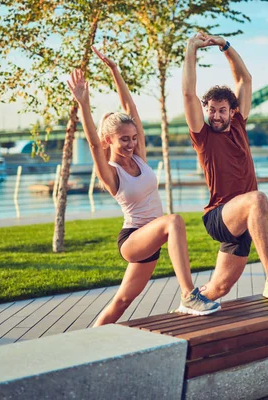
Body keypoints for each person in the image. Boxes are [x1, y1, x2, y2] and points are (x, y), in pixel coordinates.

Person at [67, 47, 220, 327]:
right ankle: (189, 294)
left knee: (122, 302)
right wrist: (82, 103)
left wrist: (115, 71)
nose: (131, 143)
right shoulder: (110, 172)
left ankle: (88, 338)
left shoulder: (139, 157)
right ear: (109, 141)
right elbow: (91, 142)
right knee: (173, 221)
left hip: (151, 242)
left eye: (134, 138)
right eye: (124, 139)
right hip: (133, 240)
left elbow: (131, 110)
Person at [182, 33, 268, 303]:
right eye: (211, 110)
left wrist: (224, 45)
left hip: (244, 221)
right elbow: (188, 93)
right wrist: (191, 49)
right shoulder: (202, 135)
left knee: (218, 290)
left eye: (221, 110)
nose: (215, 116)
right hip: (219, 216)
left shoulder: (238, 125)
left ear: (233, 111)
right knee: (257, 199)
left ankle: (188, 305)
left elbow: (244, 80)